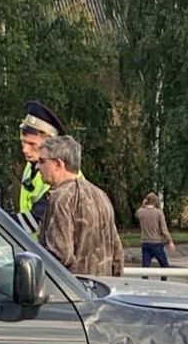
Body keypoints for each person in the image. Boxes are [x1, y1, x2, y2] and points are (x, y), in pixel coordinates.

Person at [37, 135, 124, 277]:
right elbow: (117, 254)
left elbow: (60, 255)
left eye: (42, 161)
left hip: (73, 290)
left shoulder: (60, 198)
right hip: (102, 288)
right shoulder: (101, 195)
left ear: (59, 164)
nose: (37, 166)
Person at [16, 100, 66, 236]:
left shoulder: (62, 174)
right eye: (23, 142)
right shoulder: (32, 165)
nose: (25, 150)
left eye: (32, 144)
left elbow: (32, 222)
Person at [135, 192, 175, 281]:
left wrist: (143, 205)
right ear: (156, 201)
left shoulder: (141, 212)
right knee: (164, 265)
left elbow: (136, 214)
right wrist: (170, 241)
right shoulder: (159, 213)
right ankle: (163, 282)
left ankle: (145, 283)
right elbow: (164, 229)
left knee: (146, 267)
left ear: (146, 200)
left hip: (145, 242)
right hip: (156, 243)